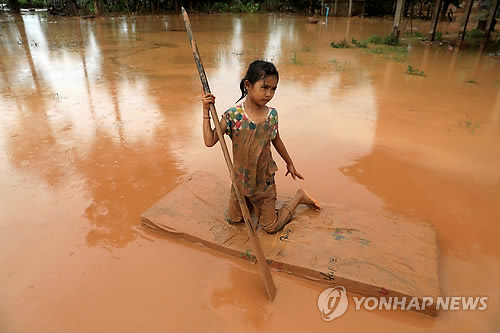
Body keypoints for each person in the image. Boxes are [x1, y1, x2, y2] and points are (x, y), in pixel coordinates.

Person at [201, 60, 320, 233]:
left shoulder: (271, 115)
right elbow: (210, 140)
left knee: (270, 228)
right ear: (248, 85)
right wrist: (206, 112)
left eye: (273, 89)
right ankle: (249, 203)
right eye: (264, 87)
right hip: (240, 182)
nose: (269, 94)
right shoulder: (232, 116)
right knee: (234, 220)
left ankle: (299, 196)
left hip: (264, 182)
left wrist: (289, 162)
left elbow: (276, 140)